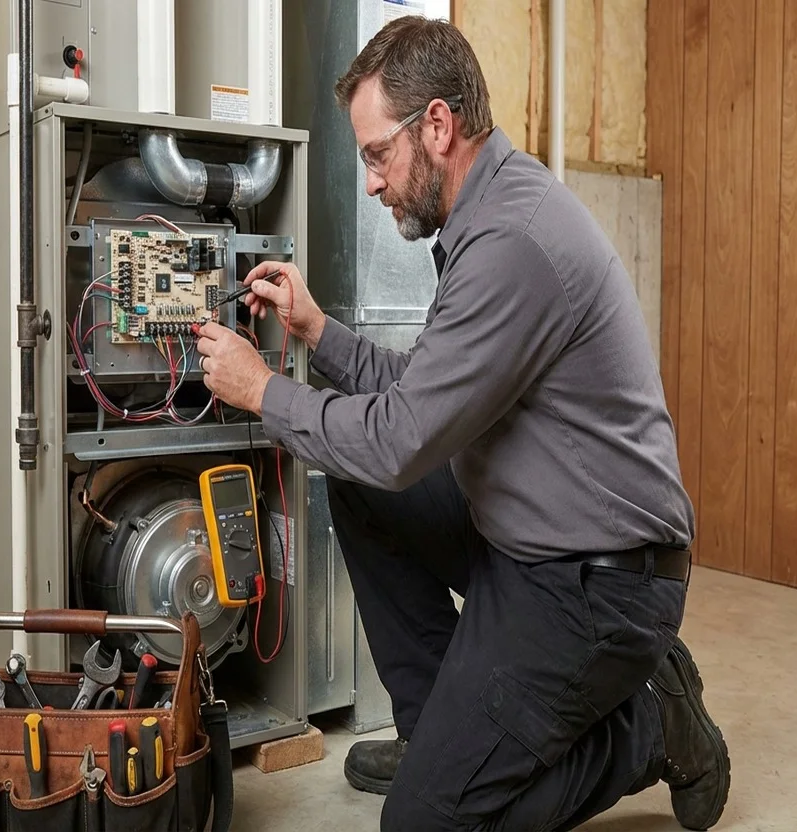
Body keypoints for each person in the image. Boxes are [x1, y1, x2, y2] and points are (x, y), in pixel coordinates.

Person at [195, 15, 730, 832]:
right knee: (363, 493)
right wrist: (314, 331)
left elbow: (401, 439)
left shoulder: (511, 240)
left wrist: (263, 390)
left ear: (437, 125)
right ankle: (439, 733)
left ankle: (650, 727)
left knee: (425, 824)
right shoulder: (487, 215)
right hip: (528, 537)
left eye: (377, 154)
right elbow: (425, 395)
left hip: (602, 583)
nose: (370, 182)